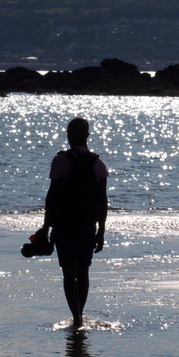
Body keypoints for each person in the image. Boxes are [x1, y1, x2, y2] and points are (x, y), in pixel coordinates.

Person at [44, 117, 108, 328]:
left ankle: (77, 318)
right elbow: (103, 201)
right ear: (87, 135)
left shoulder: (60, 161)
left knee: (68, 273)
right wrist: (101, 231)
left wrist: (46, 226)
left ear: (69, 135)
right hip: (88, 224)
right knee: (83, 272)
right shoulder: (99, 164)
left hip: (65, 223)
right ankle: (80, 314)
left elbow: (53, 195)